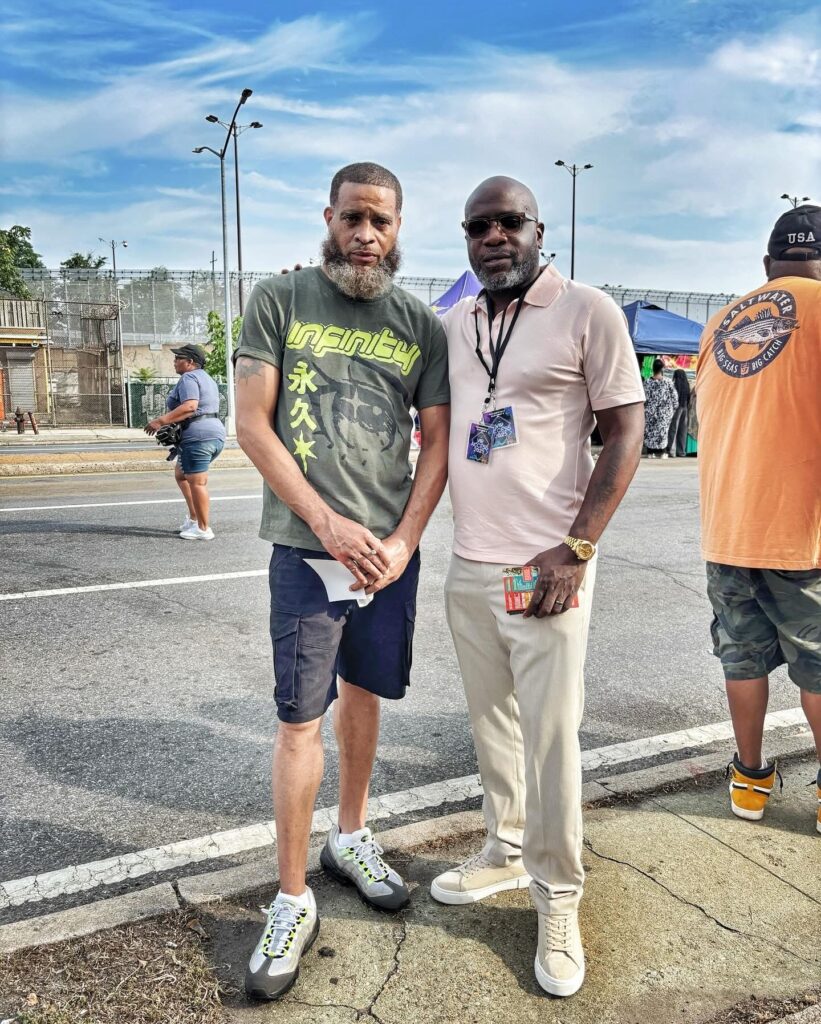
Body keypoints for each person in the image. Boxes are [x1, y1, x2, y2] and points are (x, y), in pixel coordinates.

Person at [233, 162, 450, 1001]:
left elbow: (437, 442)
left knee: (365, 696)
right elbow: (252, 424)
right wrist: (326, 523)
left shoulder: (418, 324)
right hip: (308, 551)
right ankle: (291, 900)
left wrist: (402, 541)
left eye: (380, 221)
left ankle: (350, 837)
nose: (365, 235)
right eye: (352, 218)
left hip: (387, 558)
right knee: (299, 722)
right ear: (328, 217)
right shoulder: (280, 300)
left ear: (398, 229)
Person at [431, 176, 645, 997]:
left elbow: (624, 430)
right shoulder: (456, 323)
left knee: (550, 740)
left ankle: (557, 894)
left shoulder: (587, 310)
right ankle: (505, 849)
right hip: (470, 563)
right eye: (477, 226)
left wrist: (577, 548)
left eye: (508, 222)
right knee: (491, 726)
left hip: (545, 566)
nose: (493, 237)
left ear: (537, 229)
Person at [696, 203, 821, 831]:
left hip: (728, 527)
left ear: (769, 263)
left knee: (741, 658)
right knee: (818, 663)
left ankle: (748, 779)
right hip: (803, 531)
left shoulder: (721, 323)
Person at [144, 343, 225, 540]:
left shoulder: (189, 377)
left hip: (198, 437)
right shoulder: (207, 378)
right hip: (213, 434)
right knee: (181, 475)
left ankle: (203, 529)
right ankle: (194, 518)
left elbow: (190, 406)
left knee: (197, 482)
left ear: (190, 362)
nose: (174, 361)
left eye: (178, 358)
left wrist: (160, 421)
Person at [642, 358, 677, 457]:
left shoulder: (647, 382)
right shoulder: (668, 382)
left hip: (650, 412)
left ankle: (650, 452)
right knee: (663, 432)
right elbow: (674, 397)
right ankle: (662, 452)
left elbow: (643, 398)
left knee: (650, 431)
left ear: (653, 368)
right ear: (662, 368)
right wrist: (673, 409)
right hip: (665, 413)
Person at [666, 368, 691, 457]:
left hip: (677, 408)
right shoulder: (687, 385)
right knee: (683, 430)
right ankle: (681, 451)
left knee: (673, 429)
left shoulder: (675, 385)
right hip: (685, 408)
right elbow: (689, 397)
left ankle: (672, 451)